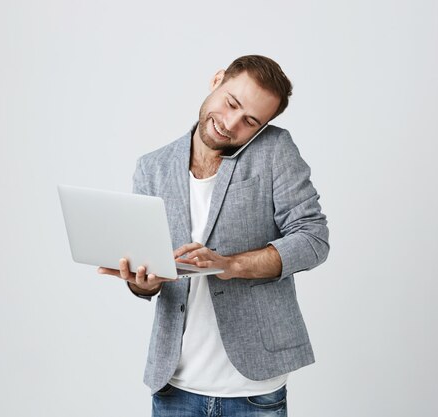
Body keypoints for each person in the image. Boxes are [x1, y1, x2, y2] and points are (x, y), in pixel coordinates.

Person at [98, 55, 329, 417]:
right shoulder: (152, 167)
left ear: (264, 126)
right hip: (174, 386)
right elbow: (148, 272)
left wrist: (230, 264)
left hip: (254, 391)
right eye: (231, 103)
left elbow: (313, 238)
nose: (230, 124)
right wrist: (142, 283)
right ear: (217, 79)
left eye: (250, 121)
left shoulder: (275, 151)